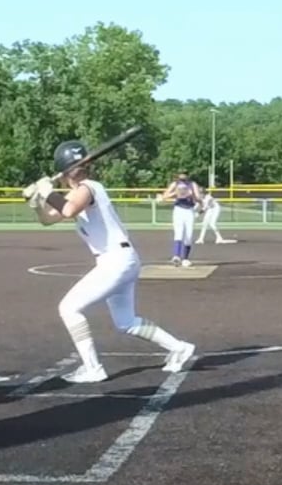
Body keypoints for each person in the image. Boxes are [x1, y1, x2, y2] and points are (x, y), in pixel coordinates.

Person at [26, 139, 196, 384]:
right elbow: (48, 219)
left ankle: (93, 368)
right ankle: (179, 347)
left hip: (115, 261)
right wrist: (36, 204)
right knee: (126, 322)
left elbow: (68, 210)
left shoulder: (87, 188)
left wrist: (46, 192)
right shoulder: (77, 193)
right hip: (120, 261)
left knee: (69, 308)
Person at [159, 171, 201, 266]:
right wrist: (176, 193)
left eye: (185, 173)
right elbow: (164, 196)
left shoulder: (192, 184)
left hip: (189, 210)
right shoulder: (175, 184)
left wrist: (191, 195)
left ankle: (185, 258)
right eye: (181, 174)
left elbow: (198, 198)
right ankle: (176, 256)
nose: (183, 175)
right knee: (178, 233)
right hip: (179, 210)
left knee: (188, 235)